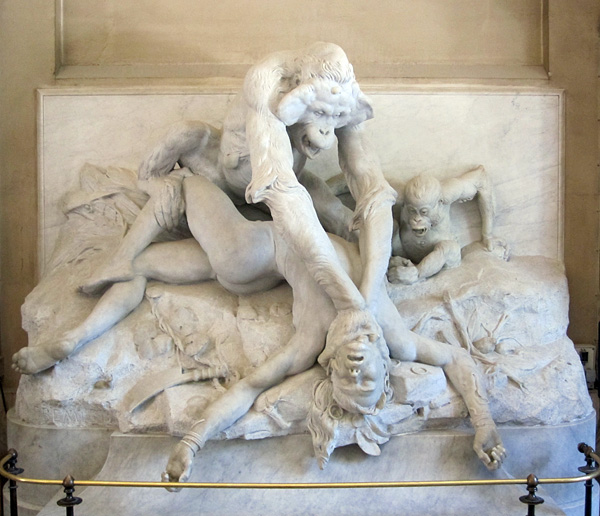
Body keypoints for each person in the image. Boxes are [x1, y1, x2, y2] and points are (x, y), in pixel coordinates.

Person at [14, 174, 503, 477]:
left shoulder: (310, 343)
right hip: (267, 251)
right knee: (140, 266)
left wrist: (192, 441)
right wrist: (484, 424)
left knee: (187, 184)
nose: (356, 370)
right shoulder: (390, 331)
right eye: (366, 377)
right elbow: (455, 359)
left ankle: (180, 187)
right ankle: (71, 339)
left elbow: (248, 389)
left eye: (347, 378)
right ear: (383, 363)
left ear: (330, 369)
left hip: (251, 253)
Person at [80, 42, 397, 332]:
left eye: (335, 117)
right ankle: (136, 219)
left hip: (280, 183)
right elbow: (281, 190)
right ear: (300, 93)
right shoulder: (267, 81)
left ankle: (382, 274)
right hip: (225, 176)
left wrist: (368, 295)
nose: (327, 132)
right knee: (186, 133)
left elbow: (374, 190)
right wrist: (348, 300)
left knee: (341, 216)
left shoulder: (343, 96)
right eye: (320, 113)